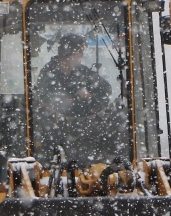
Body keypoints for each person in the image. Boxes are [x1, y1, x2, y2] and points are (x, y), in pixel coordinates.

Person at [34, 34, 115, 163]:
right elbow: (46, 97)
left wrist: (91, 99)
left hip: (83, 131)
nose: (81, 57)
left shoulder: (84, 73)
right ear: (73, 53)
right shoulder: (48, 73)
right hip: (53, 133)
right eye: (80, 53)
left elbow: (105, 90)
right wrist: (70, 99)